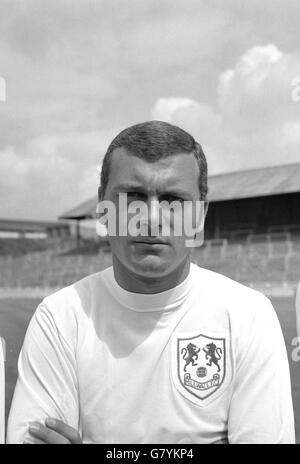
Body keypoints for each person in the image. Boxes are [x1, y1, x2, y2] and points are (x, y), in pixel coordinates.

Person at [7, 121, 295, 444]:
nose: (152, 218)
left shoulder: (249, 316)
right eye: (133, 198)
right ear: (103, 207)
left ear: (199, 215)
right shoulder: (60, 318)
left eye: (173, 199)